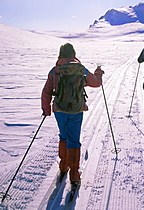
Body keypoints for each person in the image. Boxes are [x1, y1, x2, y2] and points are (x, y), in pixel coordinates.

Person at [41, 43, 104, 188]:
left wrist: (46, 108)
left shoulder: (55, 70)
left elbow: (47, 91)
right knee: (74, 140)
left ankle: (63, 167)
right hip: (76, 109)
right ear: (73, 53)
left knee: (63, 136)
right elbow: (96, 83)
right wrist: (99, 73)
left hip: (59, 109)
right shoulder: (81, 69)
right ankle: (74, 175)